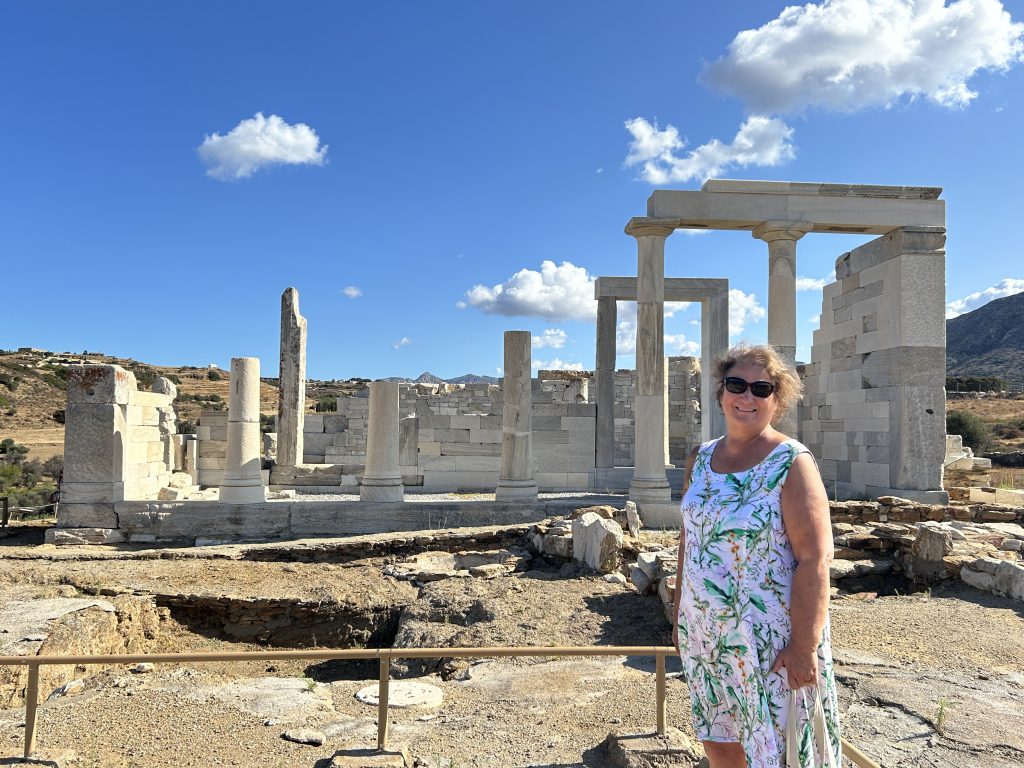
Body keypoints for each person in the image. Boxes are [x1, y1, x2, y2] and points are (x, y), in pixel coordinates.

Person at [673, 344, 839, 768]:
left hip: (769, 640)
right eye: (737, 384)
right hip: (706, 634)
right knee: (718, 740)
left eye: (761, 389)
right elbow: (689, 540)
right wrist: (679, 617)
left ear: (777, 400)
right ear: (721, 391)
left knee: (777, 751)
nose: (747, 397)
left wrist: (804, 646)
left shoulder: (791, 462)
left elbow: (815, 558)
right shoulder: (701, 457)